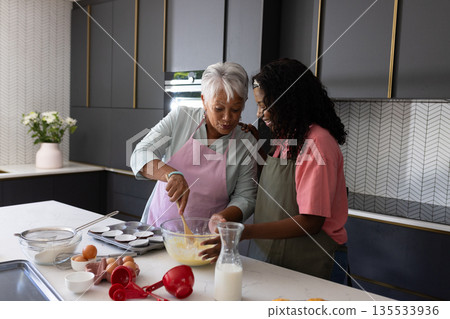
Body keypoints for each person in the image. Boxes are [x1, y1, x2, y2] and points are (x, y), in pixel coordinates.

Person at [202, 58, 349, 284]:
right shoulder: (287, 138)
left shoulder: (316, 143)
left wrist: (243, 232)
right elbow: (277, 188)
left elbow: (311, 221)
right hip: (276, 258)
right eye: (259, 105)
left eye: (265, 105)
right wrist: (254, 145)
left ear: (289, 100)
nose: (260, 114)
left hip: (311, 261)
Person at [130, 62, 258, 227]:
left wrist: (223, 217)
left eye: (235, 110)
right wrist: (171, 174)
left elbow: (246, 197)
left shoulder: (245, 143)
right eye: (219, 109)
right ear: (204, 101)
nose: (227, 117)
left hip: (203, 241)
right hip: (156, 231)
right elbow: (140, 153)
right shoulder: (180, 118)